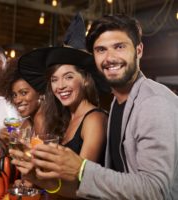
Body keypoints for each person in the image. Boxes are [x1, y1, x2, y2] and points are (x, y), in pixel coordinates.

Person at [16, 14, 178, 199]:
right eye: (101, 50)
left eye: (119, 47)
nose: (109, 58)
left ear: (138, 50)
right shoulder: (118, 104)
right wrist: (38, 179)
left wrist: (81, 169)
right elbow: (104, 188)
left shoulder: (154, 103)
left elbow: (155, 191)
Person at [9, 46, 108, 198]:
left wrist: (37, 180)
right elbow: (58, 177)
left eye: (68, 77)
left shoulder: (94, 119)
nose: (60, 86)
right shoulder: (65, 119)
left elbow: (82, 184)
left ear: (86, 80)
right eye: (54, 80)